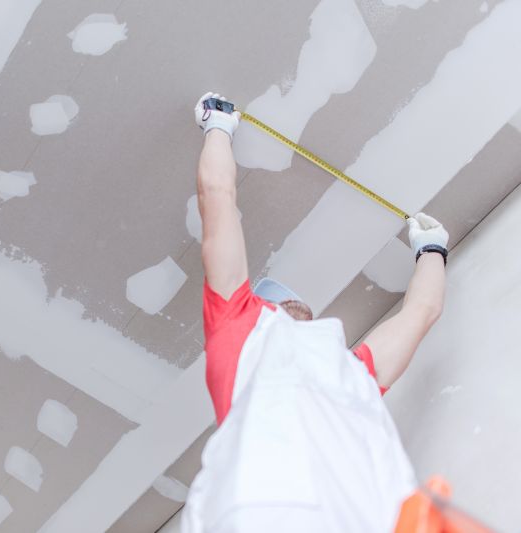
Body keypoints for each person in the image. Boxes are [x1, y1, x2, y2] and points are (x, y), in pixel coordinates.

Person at [182, 92, 450, 533]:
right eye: (276, 298)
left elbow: (423, 311)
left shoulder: (347, 371)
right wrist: (217, 125)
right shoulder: (240, 326)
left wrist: (432, 248)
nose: (290, 301)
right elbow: (216, 196)